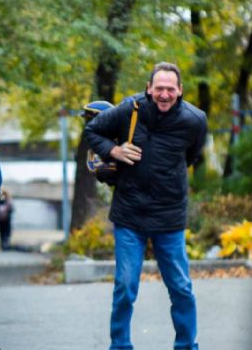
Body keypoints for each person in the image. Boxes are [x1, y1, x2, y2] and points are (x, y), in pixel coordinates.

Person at [84, 61, 207, 350]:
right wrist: (113, 150)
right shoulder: (130, 109)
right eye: (159, 88)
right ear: (149, 88)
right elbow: (92, 130)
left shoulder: (195, 120)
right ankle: (120, 346)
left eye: (170, 89)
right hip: (130, 214)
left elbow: (191, 156)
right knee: (125, 287)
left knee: (181, 288)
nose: (164, 94)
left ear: (180, 90)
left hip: (169, 216)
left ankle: (186, 345)